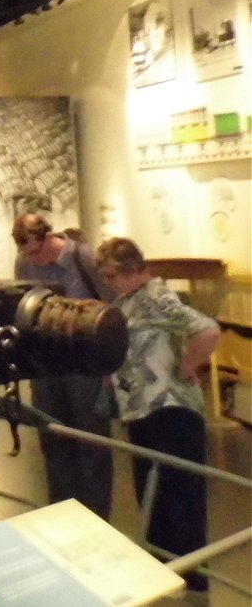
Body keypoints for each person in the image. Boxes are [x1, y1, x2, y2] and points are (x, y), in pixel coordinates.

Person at [95, 237, 219, 591]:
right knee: (152, 494)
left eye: (110, 275)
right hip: (143, 410)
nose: (107, 282)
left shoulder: (156, 297)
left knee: (180, 496)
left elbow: (208, 330)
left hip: (170, 410)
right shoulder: (130, 299)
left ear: (128, 270)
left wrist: (187, 366)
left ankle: (191, 576)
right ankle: (163, 568)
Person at [12, 213, 114, 518]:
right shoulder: (24, 262)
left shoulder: (82, 257)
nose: (35, 260)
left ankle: (96, 516)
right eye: (27, 254)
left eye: (37, 251)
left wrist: (110, 364)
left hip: (85, 364)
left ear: (49, 237)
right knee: (52, 438)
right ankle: (60, 512)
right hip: (47, 364)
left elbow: (111, 306)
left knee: (91, 442)